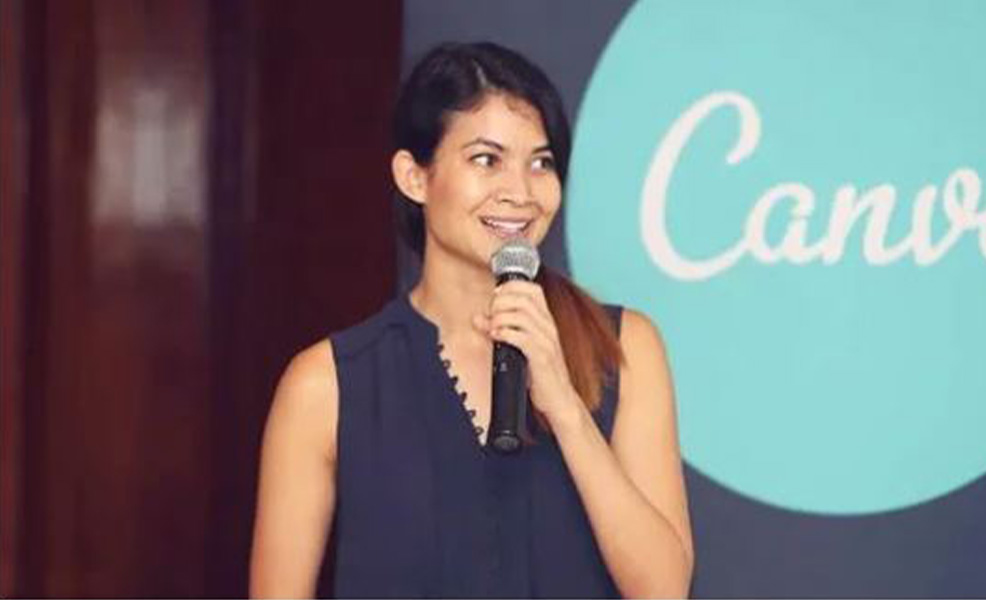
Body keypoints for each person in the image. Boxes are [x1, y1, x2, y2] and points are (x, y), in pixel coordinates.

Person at [248, 42, 694, 598]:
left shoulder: (623, 348)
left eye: (541, 162)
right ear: (414, 177)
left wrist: (566, 408)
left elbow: (665, 589)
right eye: (487, 160)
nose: (520, 192)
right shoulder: (328, 385)